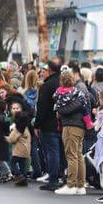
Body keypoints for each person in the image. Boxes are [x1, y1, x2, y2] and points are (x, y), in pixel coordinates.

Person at [53, 70, 87, 195]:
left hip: (70, 126)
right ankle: (80, 185)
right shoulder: (79, 92)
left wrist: (60, 110)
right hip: (80, 126)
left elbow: (61, 109)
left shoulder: (61, 94)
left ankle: (71, 184)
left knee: (71, 155)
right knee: (78, 155)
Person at [34, 60, 63, 191]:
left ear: (50, 70)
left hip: (49, 124)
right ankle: (61, 176)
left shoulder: (47, 86)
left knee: (52, 152)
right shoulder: (62, 83)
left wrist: (37, 124)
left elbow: (42, 107)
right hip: (63, 123)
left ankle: (53, 179)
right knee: (60, 152)